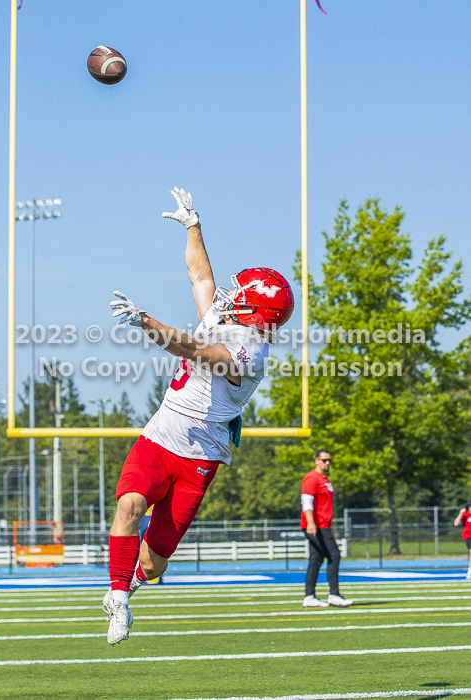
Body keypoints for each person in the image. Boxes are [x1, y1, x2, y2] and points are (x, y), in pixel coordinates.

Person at [103, 187, 294, 645]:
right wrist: (193, 226)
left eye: (241, 293)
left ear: (256, 313)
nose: (231, 294)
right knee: (129, 505)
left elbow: (192, 348)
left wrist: (145, 322)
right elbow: (199, 276)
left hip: (199, 460)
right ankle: (117, 599)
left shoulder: (248, 352)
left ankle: (133, 577)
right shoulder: (232, 318)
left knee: (152, 564)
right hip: (160, 436)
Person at [301, 449, 353, 608]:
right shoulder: (312, 478)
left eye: (329, 460)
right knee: (334, 555)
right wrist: (311, 523)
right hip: (317, 526)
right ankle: (334, 594)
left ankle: (309, 596)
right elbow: (306, 501)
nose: (327, 463)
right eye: (324, 460)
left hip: (323, 525)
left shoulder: (324, 479)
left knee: (316, 559)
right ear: (316, 461)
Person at [453, 500, 471, 580]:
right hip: (468, 536)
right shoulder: (466, 515)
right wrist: (460, 514)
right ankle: (470, 570)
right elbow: (456, 524)